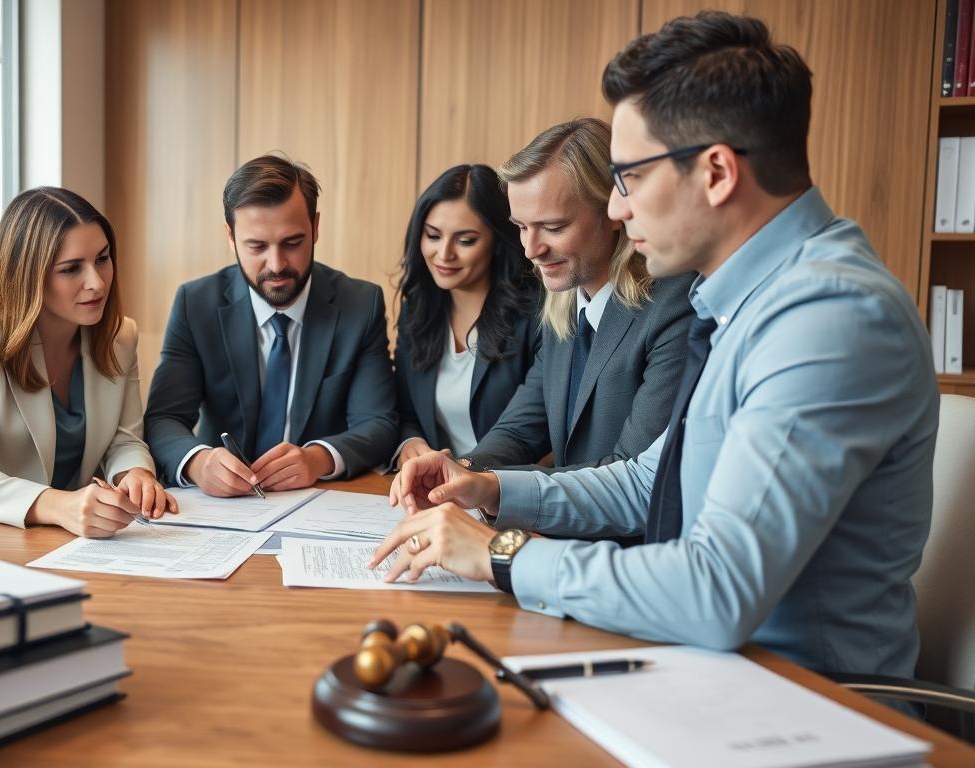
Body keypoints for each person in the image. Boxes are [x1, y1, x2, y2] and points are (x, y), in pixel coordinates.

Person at [374, 11, 937, 680]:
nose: (615, 209)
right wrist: (489, 487)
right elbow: (651, 482)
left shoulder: (829, 318)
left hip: (799, 701)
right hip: (711, 671)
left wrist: (503, 554)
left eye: (630, 178)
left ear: (717, 173)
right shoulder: (748, 300)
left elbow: (716, 594)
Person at [145, 154, 398, 496]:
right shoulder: (196, 304)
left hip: (318, 502)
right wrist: (198, 462)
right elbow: (164, 418)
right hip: (220, 508)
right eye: (257, 246)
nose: (276, 265)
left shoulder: (360, 304)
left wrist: (318, 458)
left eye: (292, 243)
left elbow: (378, 423)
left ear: (316, 227)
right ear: (230, 236)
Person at [0, 186, 176, 538]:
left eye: (103, 259)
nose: (96, 283)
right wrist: (59, 505)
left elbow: (124, 440)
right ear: (27, 274)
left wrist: (135, 475)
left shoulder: (120, 337)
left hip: (78, 539)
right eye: (71, 269)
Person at [460, 118, 695, 476]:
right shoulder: (565, 299)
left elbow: (633, 475)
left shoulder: (673, 305)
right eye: (522, 227)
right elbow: (521, 428)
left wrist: (492, 487)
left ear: (614, 211)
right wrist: (462, 468)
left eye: (553, 227)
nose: (531, 250)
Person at [391, 164, 541, 470]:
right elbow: (405, 412)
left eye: (465, 240)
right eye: (433, 235)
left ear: (498, 241)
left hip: (505, 491)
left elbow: (542, 431)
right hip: (434, 489)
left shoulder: (536, 313)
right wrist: (411, 443)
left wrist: (468, 472)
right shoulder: (417, 308)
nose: (444, 254)